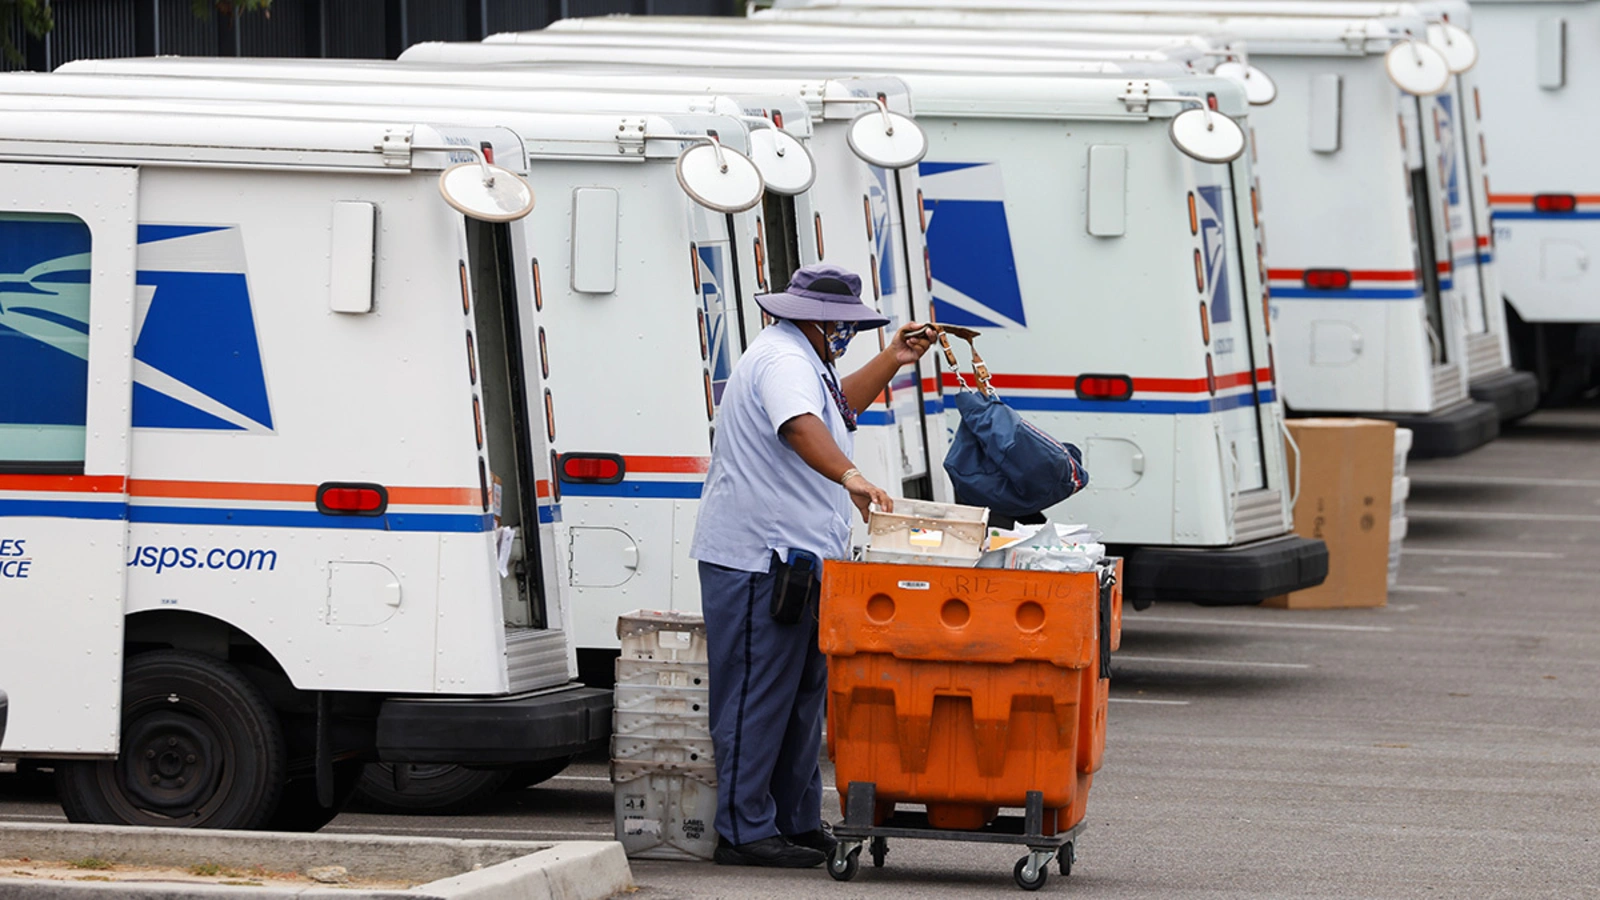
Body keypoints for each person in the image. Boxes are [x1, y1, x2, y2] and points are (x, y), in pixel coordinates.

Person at [690, 263, 935, 868]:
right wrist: (851, 476)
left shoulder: (803, 360)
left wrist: (891, 359)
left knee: (799, 698)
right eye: (842, 325)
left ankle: (792, 821)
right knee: (756, 696)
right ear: (819, 320)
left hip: (794, 559)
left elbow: (834, 408)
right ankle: (746, 831)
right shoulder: (783, 361)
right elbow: (800, 426)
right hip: (759, 559)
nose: (845, 335)